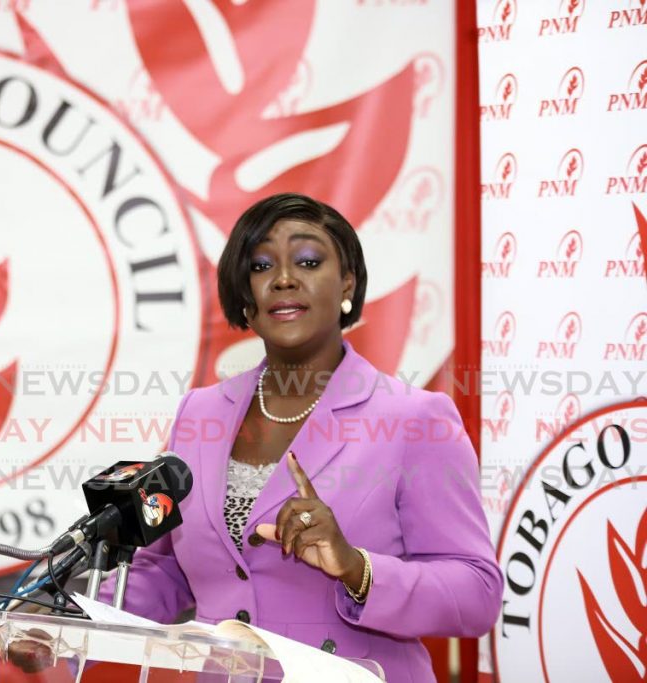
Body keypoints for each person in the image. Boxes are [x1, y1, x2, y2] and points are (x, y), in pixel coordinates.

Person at [92, 193, 504, 682]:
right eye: (262, 265)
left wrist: (357, 569)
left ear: (348, 282)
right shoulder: (198, 413)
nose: (283, 278)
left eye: (308, 261)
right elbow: (167, 572)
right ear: (246, 297)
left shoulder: (416, 419)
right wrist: (68, 627)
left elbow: (477, 594)